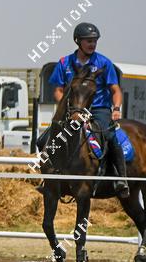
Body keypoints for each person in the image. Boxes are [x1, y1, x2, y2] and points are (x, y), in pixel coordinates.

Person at [46, 22, 128, 198]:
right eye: (89, 41)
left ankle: (121, 179)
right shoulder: (64, 63)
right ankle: (48, 175)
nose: (92, 44)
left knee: (110, 136)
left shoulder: (104, 62)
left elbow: (115, 91)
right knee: (45, 137)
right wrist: (67, 107)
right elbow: (58, 91)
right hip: (72, 109)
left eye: (95, 41)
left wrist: (116, 109)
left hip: (99, 109)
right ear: (78, 41)